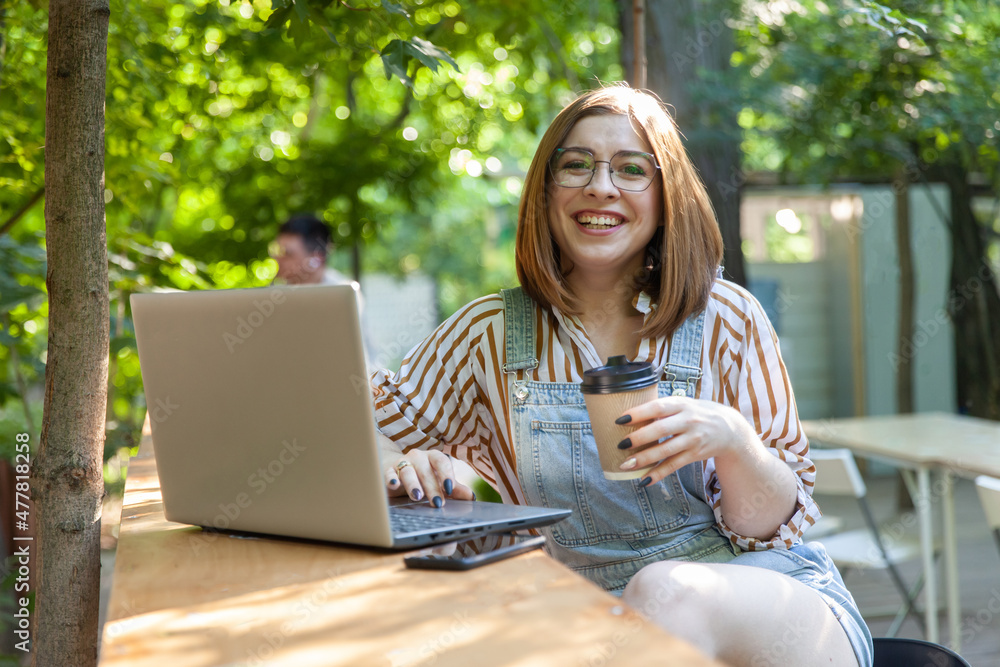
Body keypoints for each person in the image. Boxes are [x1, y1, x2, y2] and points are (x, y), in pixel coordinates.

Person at [370, 85, 873, 667]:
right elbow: (358, 442)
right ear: (546, 189)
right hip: (586, 628)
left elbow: (771, 526)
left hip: (768, 603)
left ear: (665, 196)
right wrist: (401, 465)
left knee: (664, 592)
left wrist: (733, 440)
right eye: (575, 165)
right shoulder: (488, 333)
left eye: (632, 169)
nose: (600, 186)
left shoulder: (727, 317)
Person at [270, 214, 351, 286]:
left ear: (317, 258)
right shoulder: (277, 292)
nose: (278, 259)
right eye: (277, 252)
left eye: (287, 253)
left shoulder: (341, 292)